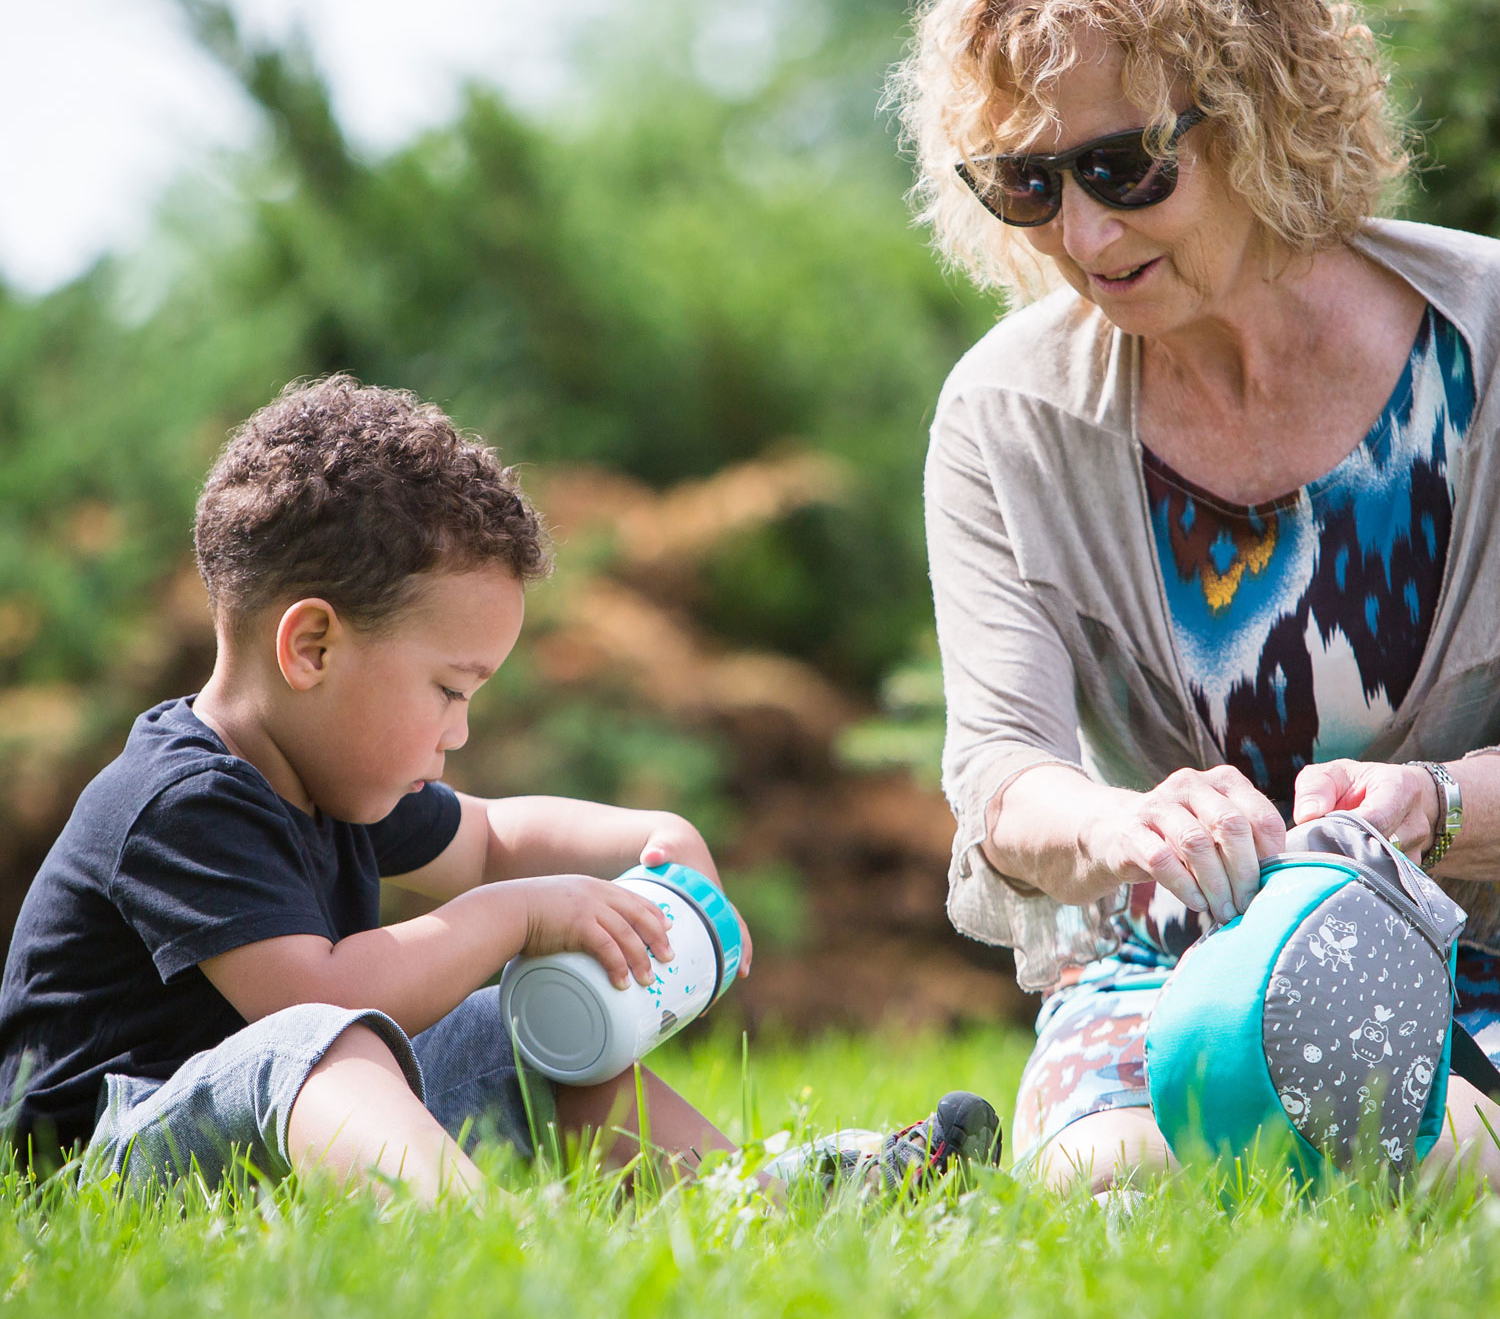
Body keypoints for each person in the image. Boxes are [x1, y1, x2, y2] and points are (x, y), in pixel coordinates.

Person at [893, 0, 1500, 1194]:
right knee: (1106, 1177)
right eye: (1027, 185)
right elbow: (1001, 769)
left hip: (1488, 954)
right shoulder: (1008, 418)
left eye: (1125, 168)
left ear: (1259, 111)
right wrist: (1117, 829)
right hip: (1190, 974)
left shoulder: (1493, 343)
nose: (1086, 240)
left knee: (1404, 1152)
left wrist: (1439, 806)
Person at [0, 377, 993, 1202]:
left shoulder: (334, 779)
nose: (459, 730)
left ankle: (745, 1203)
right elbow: (320, 995)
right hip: (107, 1160)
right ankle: (476, 1244)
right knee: (317, 1038)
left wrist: (646, 835)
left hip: (283, 1131)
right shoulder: (178, 800)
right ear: (311, 646)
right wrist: (515, 918)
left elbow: (488, 839)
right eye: (448, 689)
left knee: (510, 1036)